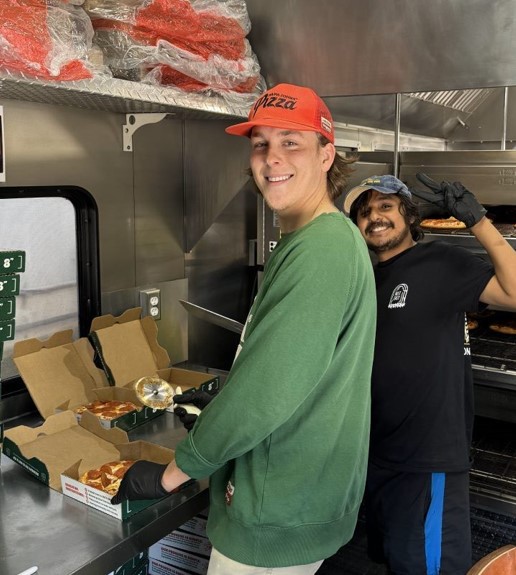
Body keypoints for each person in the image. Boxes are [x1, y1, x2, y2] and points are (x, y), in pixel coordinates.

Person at [112, 83, 377, 574]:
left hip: (277, 504)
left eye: (291, 142)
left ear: (327, 155)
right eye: (261, 144)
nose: (272, 158)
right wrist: (221, 412)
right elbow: (286, 367)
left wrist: (173, 473)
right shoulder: (316, 238)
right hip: (295, 492)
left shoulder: (323, 250)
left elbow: (267, 390)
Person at [343, 173, 516, 575]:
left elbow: (513, 292)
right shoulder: (365, 278)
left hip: (427, 459)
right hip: (377, 456)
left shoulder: (441, 261)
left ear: (409, 215)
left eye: (385, 206)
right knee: (395, 561)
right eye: (364, 212)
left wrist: (478, 221)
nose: (374, 218)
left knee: (428, 568)